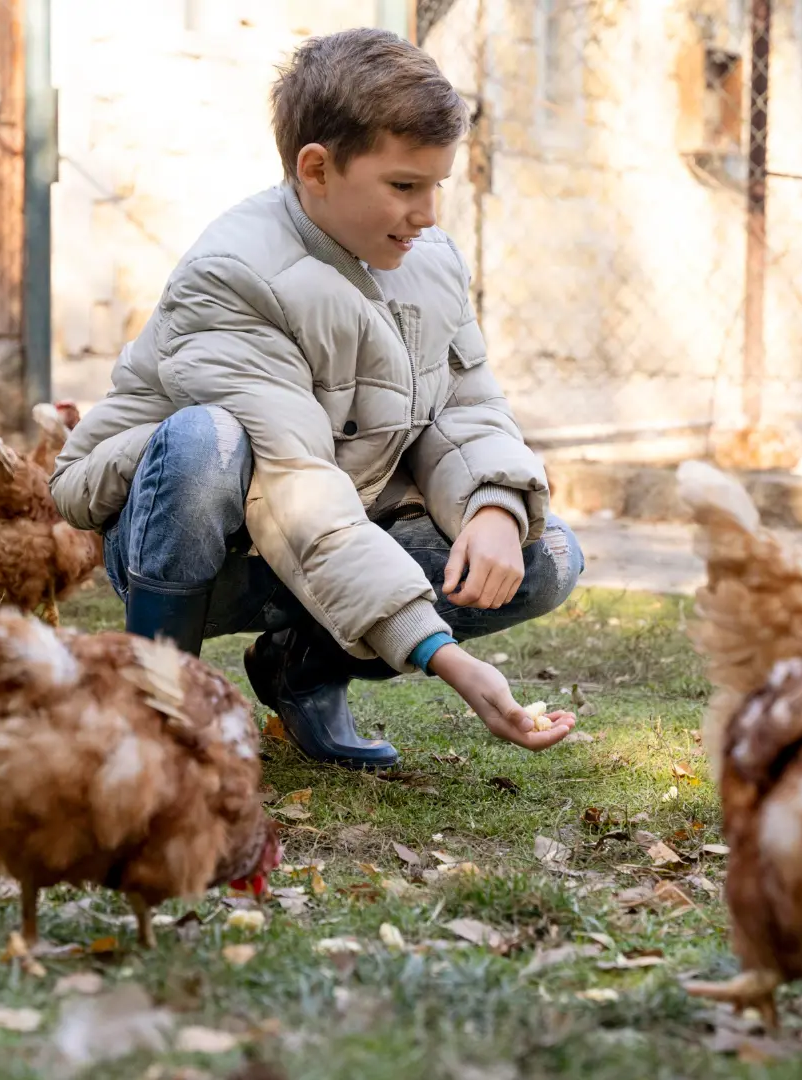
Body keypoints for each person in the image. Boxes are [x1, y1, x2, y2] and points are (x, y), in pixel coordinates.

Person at [50, 27, 584, 769]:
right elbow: (295, 487)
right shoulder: (233, 275)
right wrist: (441, 655)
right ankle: (153, 702)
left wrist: (493, 505)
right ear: (316, 168)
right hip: (198, 540)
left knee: (547, 553)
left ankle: (303, 668)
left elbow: (463, 408)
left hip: (326, 530)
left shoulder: (427, 262)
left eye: (437, 186)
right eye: (404, 185)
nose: (428, 213)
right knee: (208, 441)